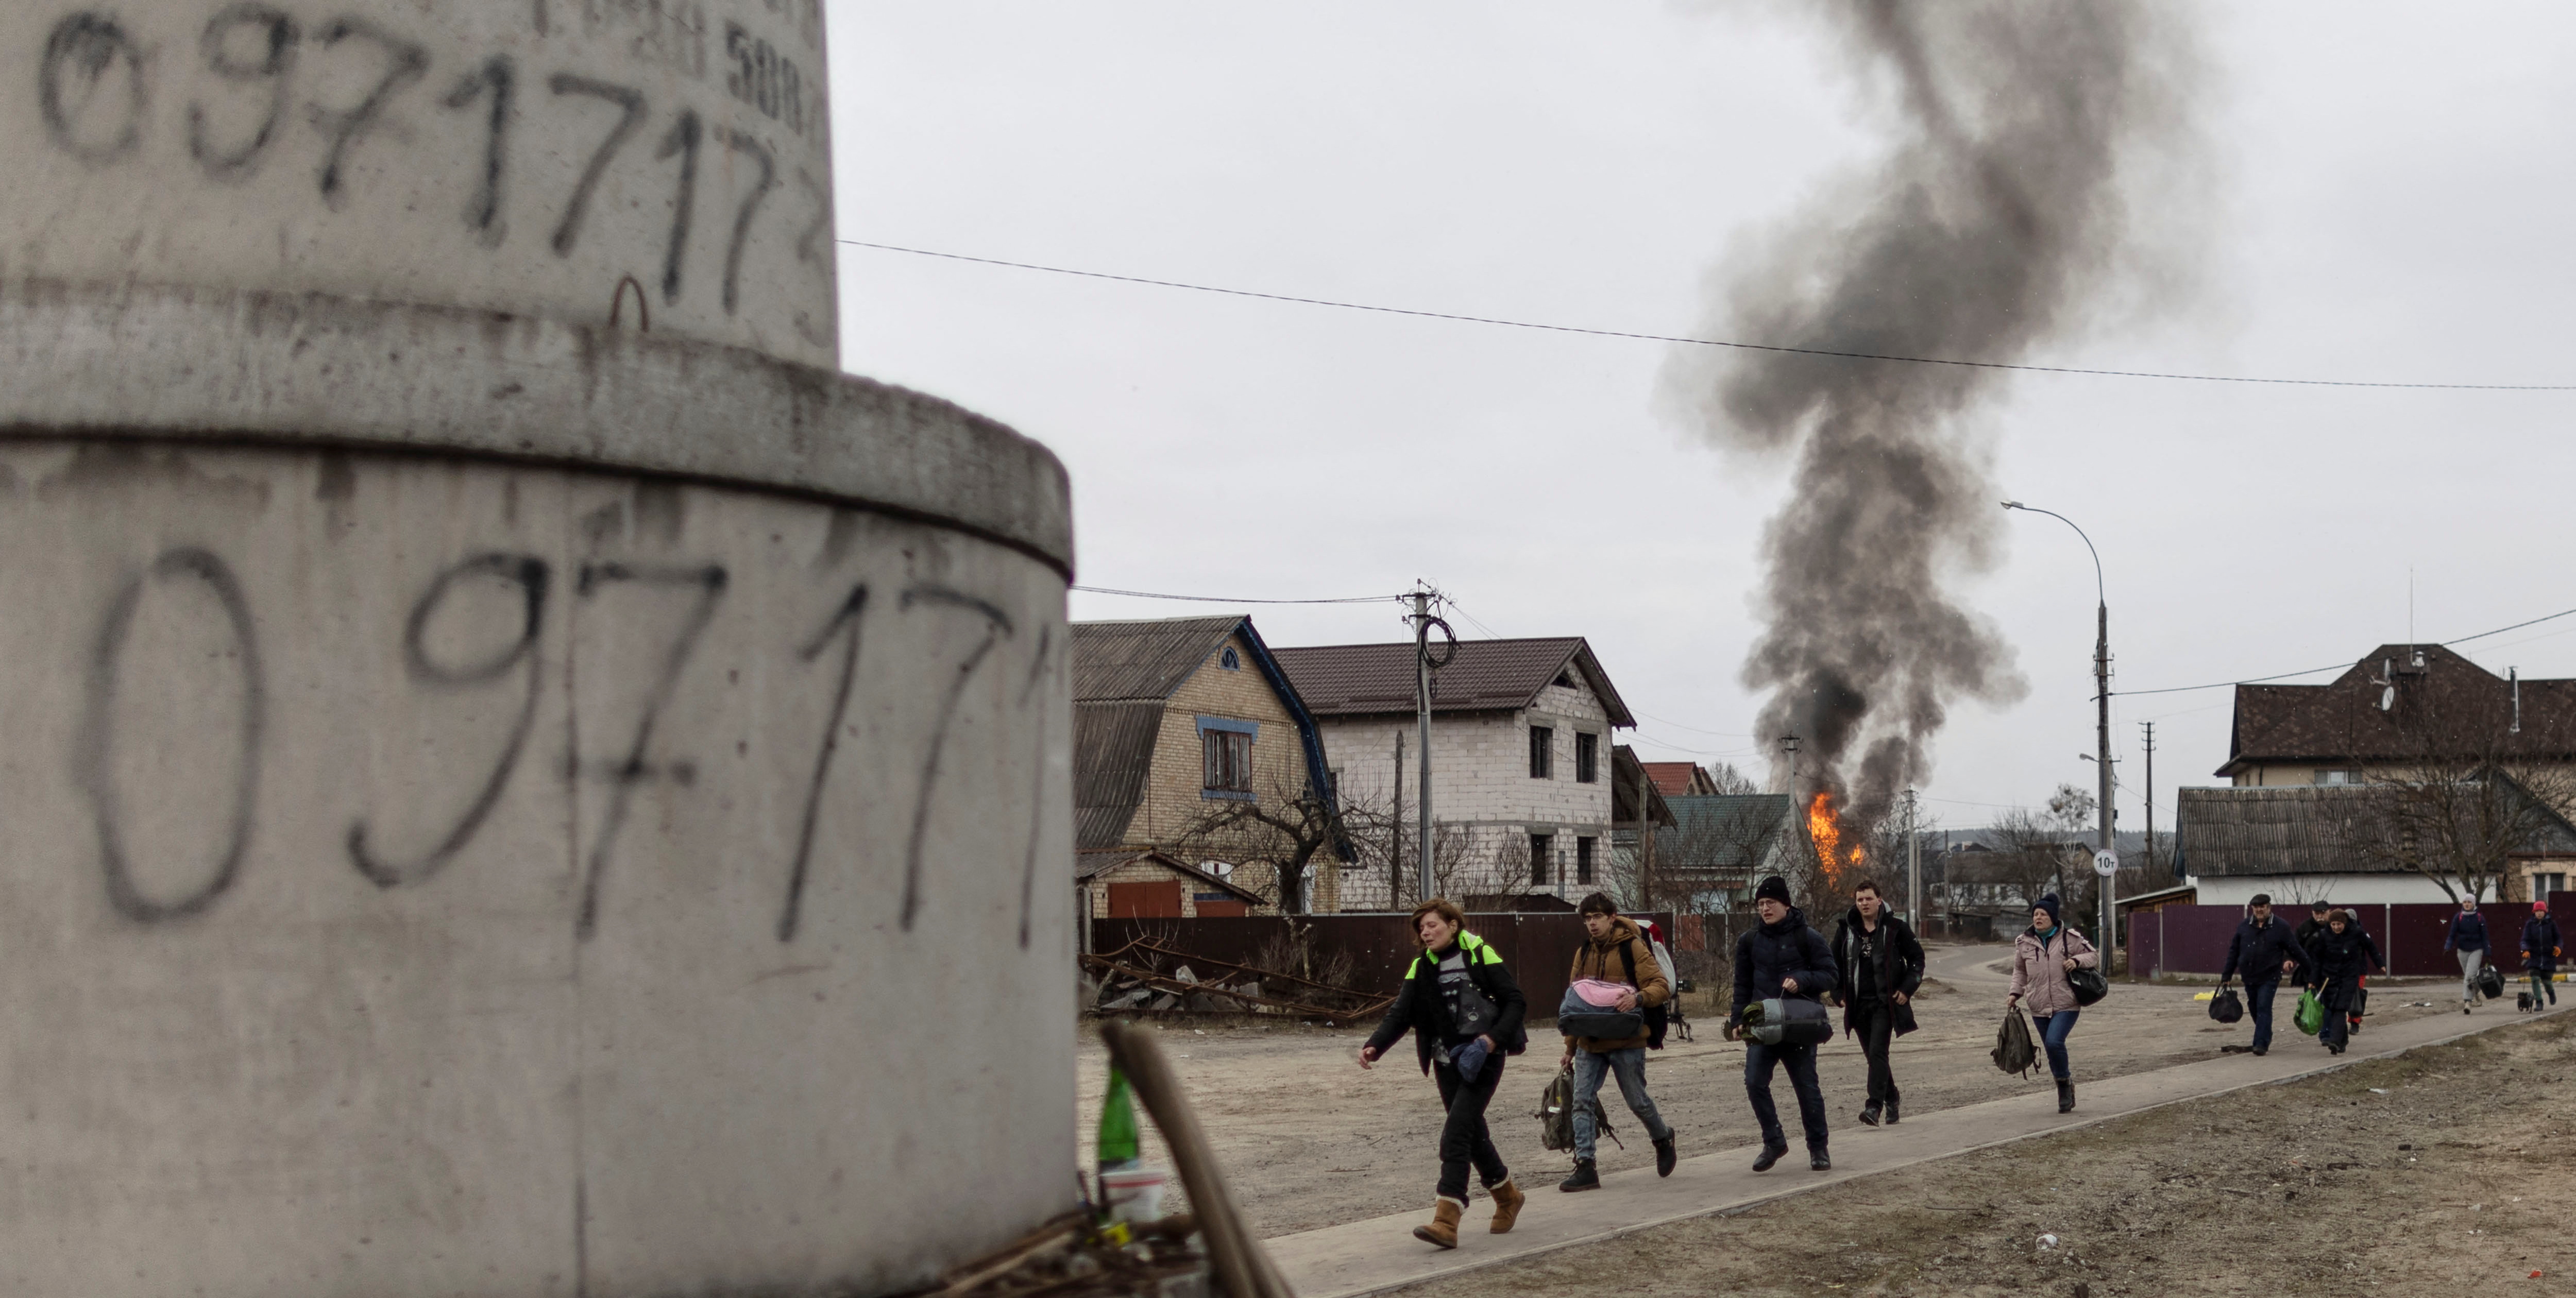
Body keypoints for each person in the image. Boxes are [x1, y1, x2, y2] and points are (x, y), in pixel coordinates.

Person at [1359, 899, 1530, 1249]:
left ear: (1454, 925)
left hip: (1484, 1058)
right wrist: (1375, 1045)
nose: (1426, 931)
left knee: (1455, 1132)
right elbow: (1401, 1013)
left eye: (1433, 924)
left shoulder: (1480, 953)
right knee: (1471, 1132)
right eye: (1421, 928)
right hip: (1445, 1061)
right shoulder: (1421, 966)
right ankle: (1508, 1195)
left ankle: (1447, 1219)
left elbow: (1516, 1001)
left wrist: (1493, 1040)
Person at [1554, 893, 1677, 1191]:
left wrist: (1637, 998)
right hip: (1590, 1043)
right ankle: (1586, 1167)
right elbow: (1575, 1004)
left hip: (1627, 1041)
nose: (1592, 924)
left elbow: (1662, 987)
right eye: (1587, 919)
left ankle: (1662, 1138)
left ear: (1612, 917)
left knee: (1637, 1101)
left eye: (1597, 917)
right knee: (1581, 1102)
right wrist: (1570, 1048)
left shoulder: (1633, 946)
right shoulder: (1583, 952)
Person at [1728, 873, 1838, 1172]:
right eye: (1761, 904)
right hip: (1763, 1025)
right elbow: (1742, 985)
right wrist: (1737, 1019)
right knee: (1754, 1082)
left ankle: (1818, 1149)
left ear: (1786, 905)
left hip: (1800, 1024)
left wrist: (1802, 980)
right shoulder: (1749, 941)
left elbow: (1831, 975)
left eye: (1771, 903)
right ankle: (1774, 1141)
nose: (1765, 909)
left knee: (1806, 1087)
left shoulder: (1808, 937)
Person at [1829, 879, 1925, 1126]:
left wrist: (1907, 989)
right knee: (1873, 1057)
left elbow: (1917, 959)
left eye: (1869, 899)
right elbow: (1833, 966)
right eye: (1860, 899)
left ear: (1879, 900)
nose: (1864, 903)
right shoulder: (1847, 930)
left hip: (1886, 1003)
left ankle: (1873, 1107)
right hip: (1858, 1004)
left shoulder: (1895, 928)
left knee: (1878, 1052)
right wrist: (1837, 993)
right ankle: (1892, 1098)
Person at [2005, 894, 2097, 1114]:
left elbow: (2093, 956)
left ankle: (2064, 1085)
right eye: (2036, 914)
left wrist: (2076, 961)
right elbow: (2020, 970)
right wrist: (2014, 993)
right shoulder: (2024, 942)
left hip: (2066, 1002)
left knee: (2055, 1042)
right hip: (2038, 1004)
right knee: (2050, 1048)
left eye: (2043, 914)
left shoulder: (2069, 939)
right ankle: (2062, 1085)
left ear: (2053, 918)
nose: (2038, 918)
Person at [2218, 893, 2312, 1057]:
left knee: (2263, 1006)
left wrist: (2312, 973)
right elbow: (2234, 951)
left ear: (2269, 907)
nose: (2260, 910)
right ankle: (2266, 1033)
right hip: (2249, 975)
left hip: (2270, 976)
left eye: (2263, 907)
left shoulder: (2280, 927)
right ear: (2252, 909)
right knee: (2254, 1007)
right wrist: (2227, 975)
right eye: (2256, 907)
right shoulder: (2244, 927)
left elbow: (2296, 950)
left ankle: (2260, 1044)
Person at [2309, 908, 2385, 1054]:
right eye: (2333, 924)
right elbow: (2317, 959)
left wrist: (2380, 963)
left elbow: (2371, 947)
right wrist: (2313, 979)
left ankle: (2335, 1041)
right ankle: (2343, 1042)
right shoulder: (2324, 936)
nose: (2336, 927)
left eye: (2339, 924)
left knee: (2341, 1007)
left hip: (2349, 976)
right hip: (2329, 977)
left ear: (2344, 923)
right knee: (2331, 1007)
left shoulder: (2356, 932)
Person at [2445, 894, 2492, 1014]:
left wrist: (2488, 952)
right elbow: (2452, 934)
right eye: (2465, 902)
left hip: (2477, 949)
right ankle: (2476, 992)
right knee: (2470, 977)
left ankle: (2468, 1003)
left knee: (2469, 977)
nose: (2467, 904)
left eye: (2469, 902)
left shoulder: (2480, 918)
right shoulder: (2458, 917)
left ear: (2474, 904)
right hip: (2462, 950)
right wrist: (2448, 946)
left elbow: (2485, 937)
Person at [2524, 900, 2561, 1009]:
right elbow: (2524, 940)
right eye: (2537, 911)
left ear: (2545, 912)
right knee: (2535, 978)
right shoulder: (2530, 924)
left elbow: (2559, 939)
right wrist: (2525, 949)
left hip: (2548, 956)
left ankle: (2551, 993)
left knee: (2547, 981)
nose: (2539, 913)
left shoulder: (2551, 924)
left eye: (2541, 911)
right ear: (2534, 912)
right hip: (2534, 957)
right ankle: (2539, 1002)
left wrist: (2559, 947)